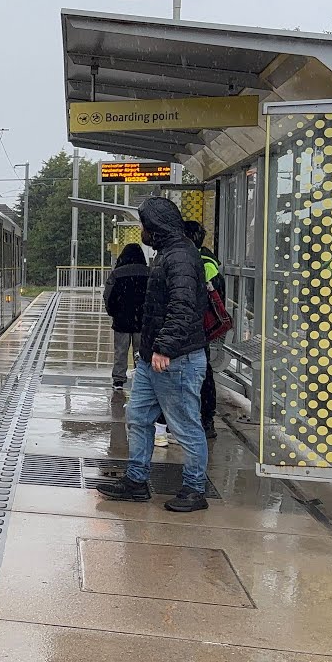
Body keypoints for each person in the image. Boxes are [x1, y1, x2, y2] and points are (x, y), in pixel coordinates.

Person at [98, 197, 211, 512]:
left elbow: (183, 304)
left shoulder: (180, 258)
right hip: (152, 359)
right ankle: (136, 481)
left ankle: (194, 489)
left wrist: (165, 347)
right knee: (138, 417)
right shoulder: (169, 254)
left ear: (156, 227)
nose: (142, 231)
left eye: (144, 225)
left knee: (185, 425)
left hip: (174, 360)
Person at [185, 220, 224, 441]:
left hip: (198, 329)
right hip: (198, 328)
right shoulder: (206, 259)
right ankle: (204, 418)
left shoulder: (202, 262)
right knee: (202, 373)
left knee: (201, 374)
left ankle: (205, 419)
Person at [102, 243, 149, 391]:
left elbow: (108, 296)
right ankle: (141, 379)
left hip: (122, 320)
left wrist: (113, 312)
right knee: (141, 352)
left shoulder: (117, 274)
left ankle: (118, 380)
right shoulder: (149, 273)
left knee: (120, 351)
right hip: (142, 320)